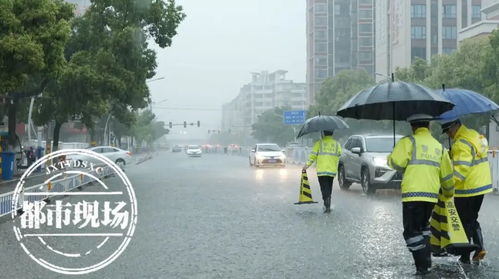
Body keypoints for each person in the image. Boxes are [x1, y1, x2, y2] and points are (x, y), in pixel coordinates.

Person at [387, 114, 454, 275]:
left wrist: (392, 155)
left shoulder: (408, 142)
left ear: (413, 127)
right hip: (431, 196)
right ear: (429, 126)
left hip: (413, 194)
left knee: (411, 232)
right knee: (423, 229)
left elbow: (396, 163)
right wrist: (448, 192)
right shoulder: (439, 146)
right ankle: (426, 263)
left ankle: (423, 267)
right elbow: (447, 176)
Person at [441, 119, 493, 265]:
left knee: (464, 221)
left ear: (456, 126)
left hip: (467, 188)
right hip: (481, 185)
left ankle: (467, 255)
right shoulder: (474, 135)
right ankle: (478, 249)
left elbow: (461, 170)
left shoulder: (461, 143)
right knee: (471, 218)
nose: (449, 135)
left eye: (449, 130)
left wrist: (448, 186)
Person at [302, 130, 342, 213]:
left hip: (321, 170)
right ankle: (328, 204)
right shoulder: (337, 144)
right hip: (331, 170)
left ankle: (326, 203)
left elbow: (312, 156)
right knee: (329, 187)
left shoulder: (318, 143)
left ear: (323, 133)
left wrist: (307, 165)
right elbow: (339, 154)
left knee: (323, 188)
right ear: (332, 133)